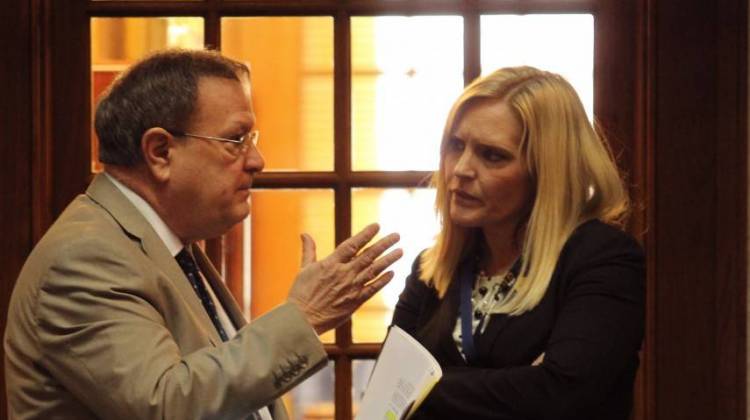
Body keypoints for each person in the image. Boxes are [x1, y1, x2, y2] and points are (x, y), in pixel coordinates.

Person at [4, 49, 403, 420]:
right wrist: (303, 317)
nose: (257, 160)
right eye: (235, 139)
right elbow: (168, 404)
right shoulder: (85, 257)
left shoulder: (168, 243)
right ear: (160, 152)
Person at [392, 66, 644, 419]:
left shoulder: (602, 259)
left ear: (546, 172)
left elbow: (562, 396)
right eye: (455, 145)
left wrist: (428, 389)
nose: (461, 169)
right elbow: (390, 396)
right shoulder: (432, 269)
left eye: (492, 155)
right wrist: (524, 382)